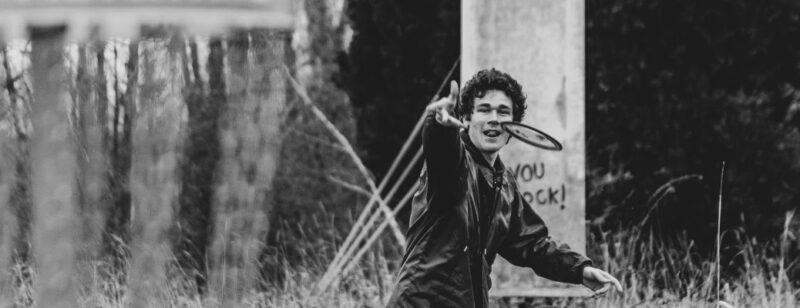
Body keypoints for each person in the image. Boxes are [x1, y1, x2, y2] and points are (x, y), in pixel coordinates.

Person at [385, 69, 622, 308]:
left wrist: (580, 270)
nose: (494, 119)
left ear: (514, 127)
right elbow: (442, 153)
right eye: (484, 110)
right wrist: (439, 127)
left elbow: (532, 244)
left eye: (503, 112)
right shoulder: (456, 165)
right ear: (466, 119)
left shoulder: (504, 184)